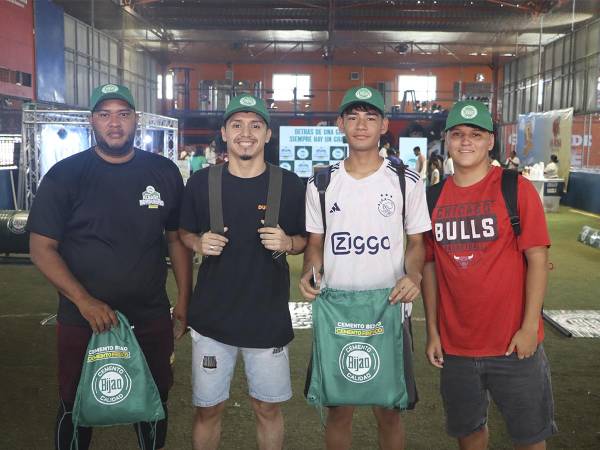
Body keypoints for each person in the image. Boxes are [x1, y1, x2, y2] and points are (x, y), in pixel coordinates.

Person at [27, 83, 192, 450]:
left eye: (122, 114)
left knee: (153, 403)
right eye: (104, 115)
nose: (114, 124)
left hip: (148, 314)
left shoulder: (163, 172)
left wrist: (183, 299)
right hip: (83, 318)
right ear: (91, 122)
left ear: (137, 120)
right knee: (75, 404)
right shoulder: (65, 175)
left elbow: (175, 239)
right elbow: (41, 247)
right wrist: (84, 301)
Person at [299, 86, 431, 450]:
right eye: (353, 117)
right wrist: (310, 272)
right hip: (336, 309)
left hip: (389, 308)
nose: (361, 125)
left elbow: (418, 243)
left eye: (371, 117)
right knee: (339, 408)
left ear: (384, 125)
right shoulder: (321, 183)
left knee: (388, 409)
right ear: (340, 124)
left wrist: (414, 274)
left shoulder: (407, 181)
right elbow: (314, 243)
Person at [422, 100, 556, 450]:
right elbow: (430, 267)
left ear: (490, 141)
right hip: (457, 348)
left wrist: (529, 328)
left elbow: (537, 261)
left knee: (530, 438)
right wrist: (433, 331)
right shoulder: (432, 197)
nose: (466, 142)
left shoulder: (515, 188)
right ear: (447, 141)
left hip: (513, 343)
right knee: (469, 434)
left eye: (476, 135)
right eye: (458, 134)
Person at [178, 94, 307, 450]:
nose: (245, 133)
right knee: (208, 409)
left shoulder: (291, 184)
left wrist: (288, 243)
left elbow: (309, 240)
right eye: (236, 125)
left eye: (255, 125)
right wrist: (197, 242)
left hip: (267, 320)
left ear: (268, 134)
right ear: (224, 132)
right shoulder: (202, 182)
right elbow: (183, 232)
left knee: (267, 408)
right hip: (211, 320)